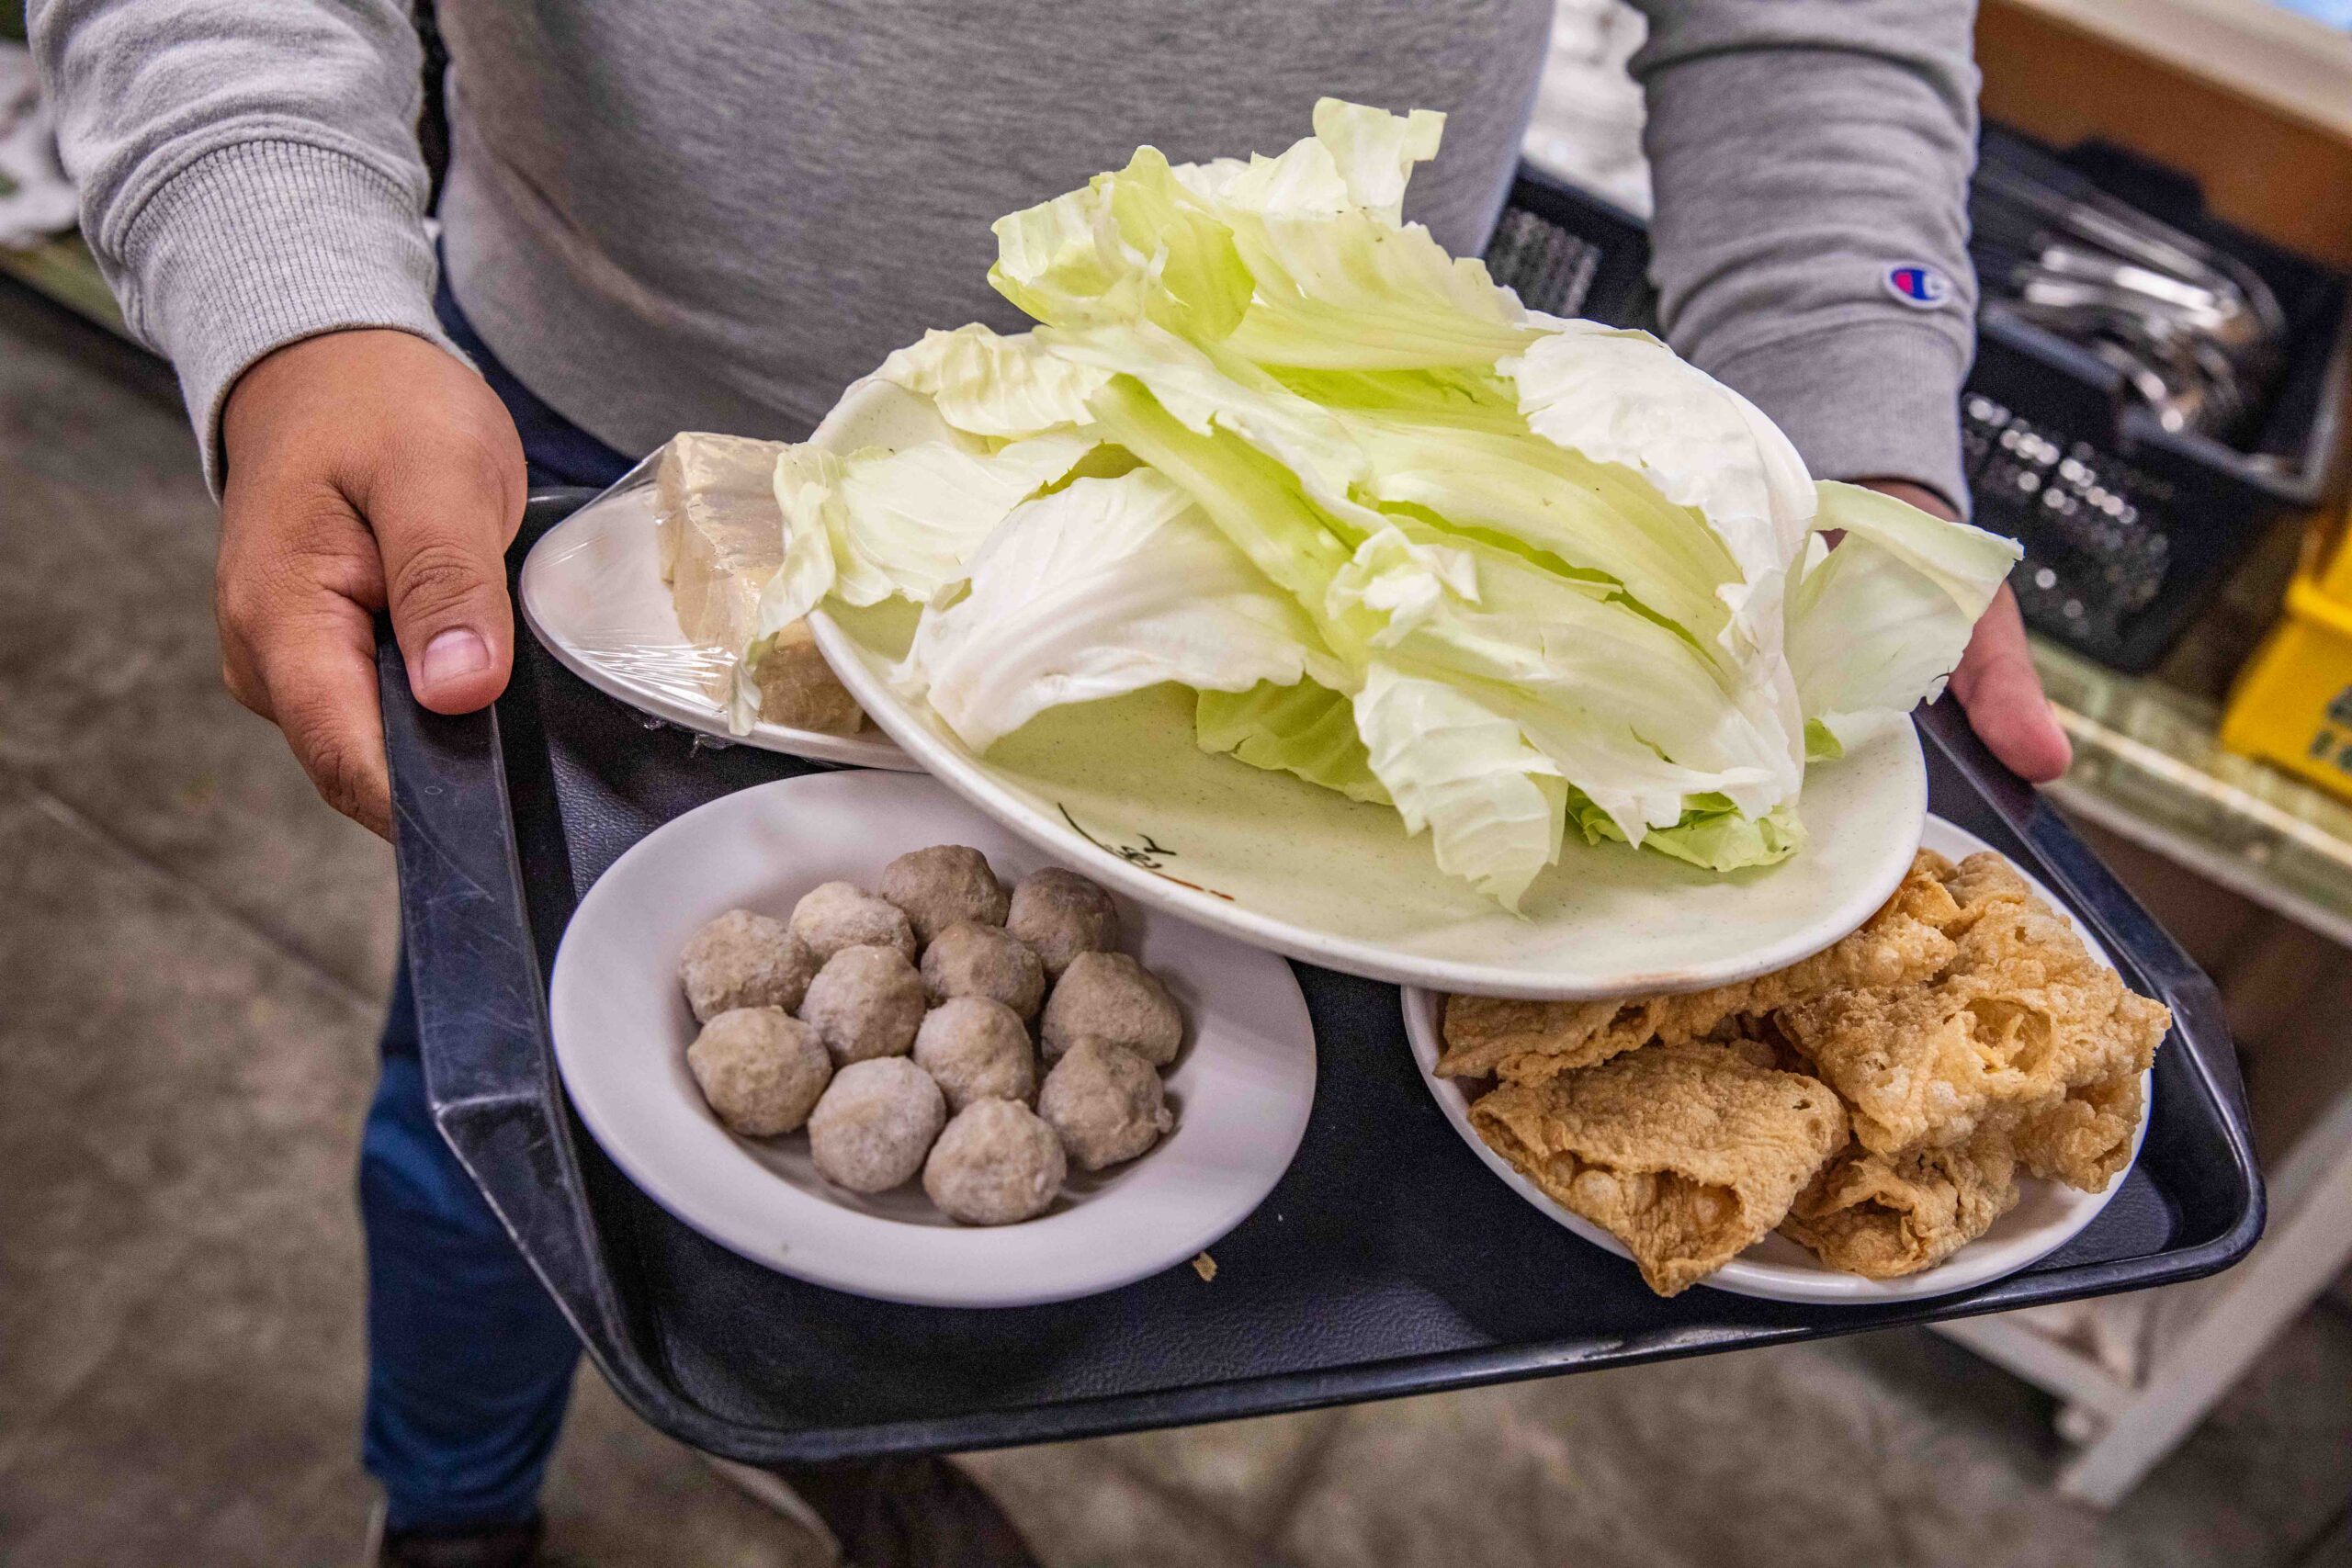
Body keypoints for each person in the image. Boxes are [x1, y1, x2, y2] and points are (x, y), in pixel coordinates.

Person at [30, 2, 2074, 1564]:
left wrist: (1857, 381)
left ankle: (867, 1421)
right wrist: (281, 273)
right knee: (502, 1094)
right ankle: (456, 1499)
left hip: (1295, 588)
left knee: (1118, 1136)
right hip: (607, 463)